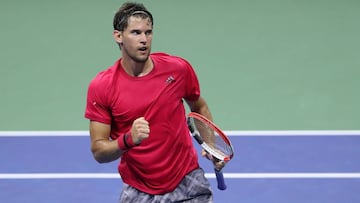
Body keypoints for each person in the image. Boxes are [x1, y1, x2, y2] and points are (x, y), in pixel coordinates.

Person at [84, 2, 224, 202]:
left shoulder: (177, 70)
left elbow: (198, 106)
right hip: (140, 189)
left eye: (148, 32)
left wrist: (211, 145)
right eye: (135, 33)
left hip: (187, 180)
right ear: (118, 36)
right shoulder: (102, 86)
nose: (144, 40)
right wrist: (128, 139)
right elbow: (99, 151)